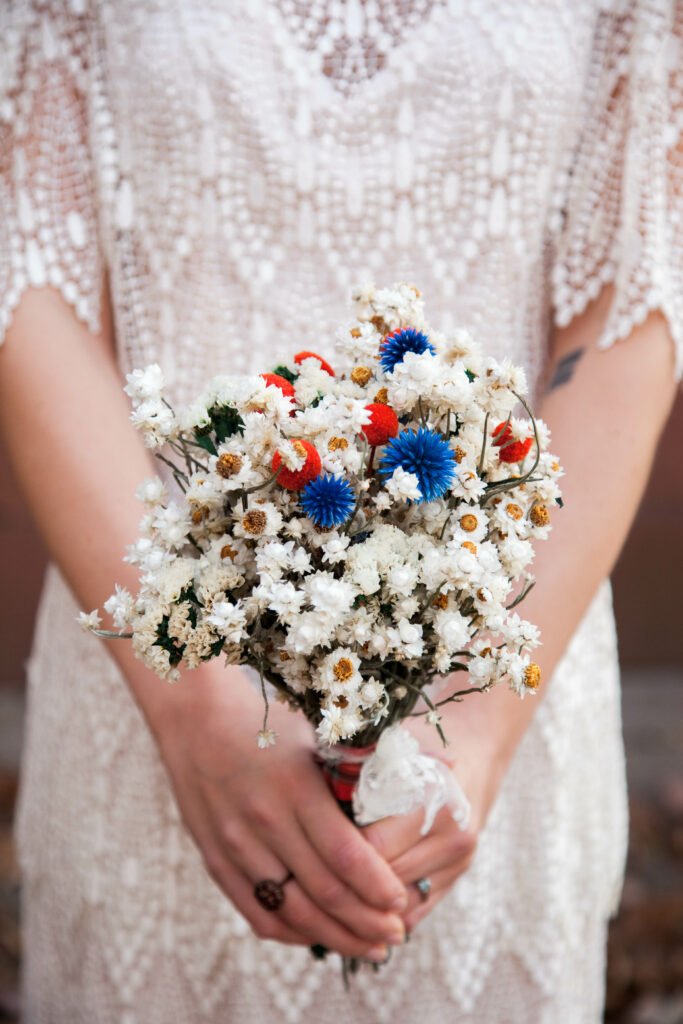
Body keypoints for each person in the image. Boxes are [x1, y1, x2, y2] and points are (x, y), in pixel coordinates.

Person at [0, 1, 681, 1020]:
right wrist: (187, 690)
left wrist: (476, 723)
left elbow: (635, 285)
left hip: (493, 678)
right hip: (149, 681)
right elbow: (26, 267)